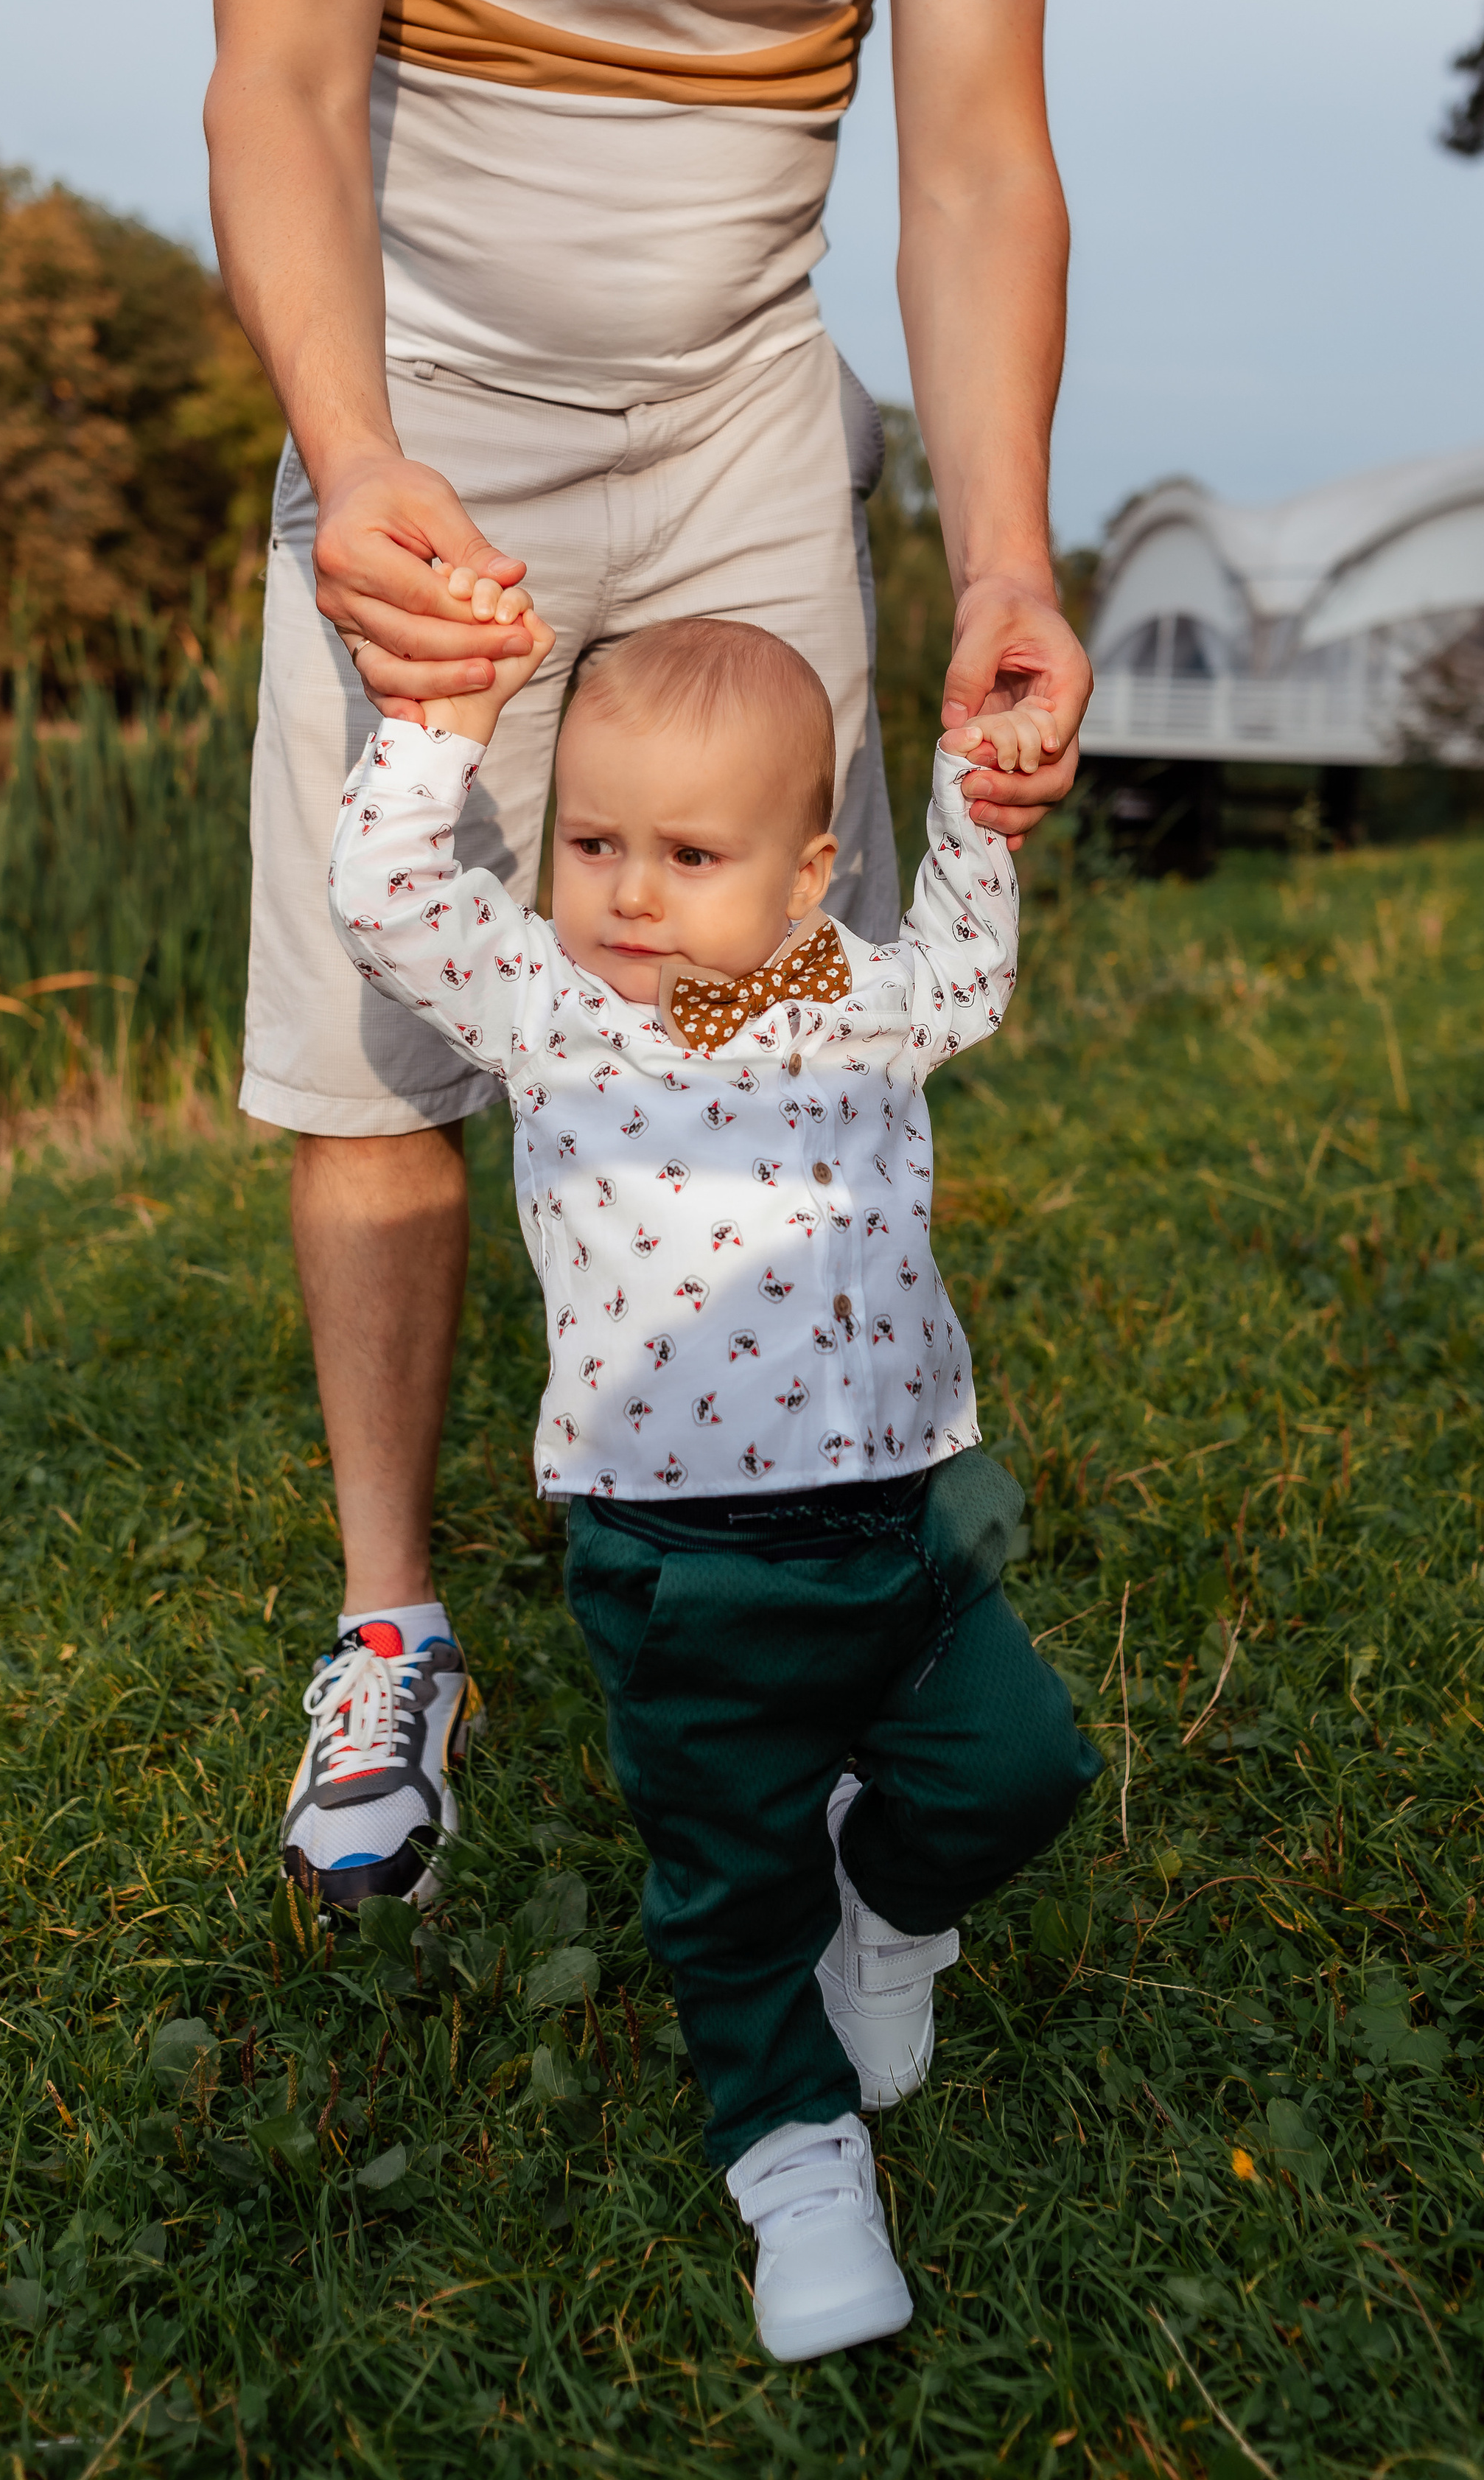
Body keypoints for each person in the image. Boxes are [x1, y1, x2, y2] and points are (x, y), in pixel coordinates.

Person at [203, 0, 1092, 1904]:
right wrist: (351, 450)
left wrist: (1000, 565)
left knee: (795, 1016)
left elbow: (973, 159)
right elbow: (285, 78)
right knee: (370, 1052)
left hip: (740, 425)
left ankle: (847, 1576)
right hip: (421, 409)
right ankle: (394, 1632)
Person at [322, 604, 1101, 2361]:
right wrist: (436, 732)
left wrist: (982, 809)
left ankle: (891, 1908)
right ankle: (789, 2151)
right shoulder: (543, 1006)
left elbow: (970, 967)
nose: (628, 892)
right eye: (593, 843)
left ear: (810, 871)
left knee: (1017, 1771)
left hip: (907, 1514)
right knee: (730, 1870)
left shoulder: (861, 997)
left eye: (688, 853)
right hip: (675, 1562)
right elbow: (384, 901)